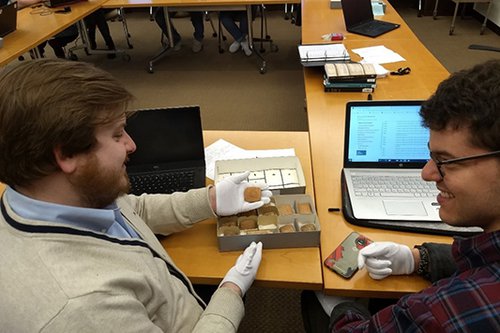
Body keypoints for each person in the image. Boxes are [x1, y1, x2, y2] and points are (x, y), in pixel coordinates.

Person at [0, 59, 273, 332]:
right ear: (67, 155)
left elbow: (132, 210)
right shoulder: (83, 310)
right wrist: (231, 292)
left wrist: (209, 200)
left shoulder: (60, 195)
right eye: (117, 134)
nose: (132, 145)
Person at [318, 59, 500, 332]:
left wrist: (343, 307)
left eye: (446, 161)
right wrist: (418, 259)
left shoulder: (440, 314)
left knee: (313, 298)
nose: (427, 174)